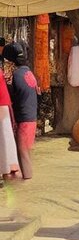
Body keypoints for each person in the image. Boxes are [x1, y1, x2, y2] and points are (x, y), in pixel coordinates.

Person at [3, 43, 39, 180]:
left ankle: (26, 184)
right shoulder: (28, 72)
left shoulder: (16, 76)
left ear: (11, 61)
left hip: (24, 119)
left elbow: (12, 98)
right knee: (26, 154)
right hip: (32, 118)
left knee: (23, 153)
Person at [0, 67, 20, 181]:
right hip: (4, 105)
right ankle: (9, 166)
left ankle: (6, 167)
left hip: (1, 106)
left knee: (3, 137)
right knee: (6, 136)